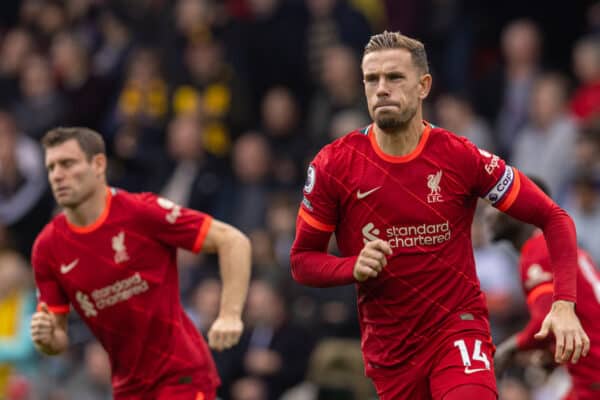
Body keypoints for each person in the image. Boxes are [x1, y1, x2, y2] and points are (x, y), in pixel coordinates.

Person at [290, 31, 589, 400]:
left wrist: (563, 306)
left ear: (423, 86)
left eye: (395, 77)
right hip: (391, 351)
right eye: (372, 79)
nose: (381, 88)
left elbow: (555, 218)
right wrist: (350, 267)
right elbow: (302, 261)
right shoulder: (334, 165)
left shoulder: (459, 157)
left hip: (457, 329)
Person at [29, 127, 251, 400]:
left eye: (67, 164)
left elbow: (232, 240)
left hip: (181, 375)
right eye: (51, 167)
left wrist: (230, 314)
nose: (57, 175)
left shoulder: (140, 212)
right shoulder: (47, 247)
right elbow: (58, 338)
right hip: (128, 388)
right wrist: (46, 339)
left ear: (98, 165)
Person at [490, 178, 600, 400]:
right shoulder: (553, 247)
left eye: (497, 205)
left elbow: (545, 321)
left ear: (523, 210)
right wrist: (552, 354)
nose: (488, 214)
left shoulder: (538, 251)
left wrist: (507, 350)